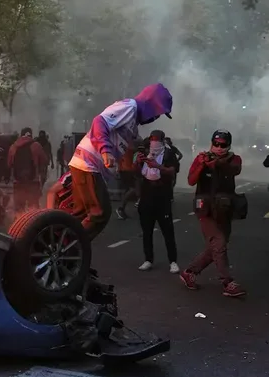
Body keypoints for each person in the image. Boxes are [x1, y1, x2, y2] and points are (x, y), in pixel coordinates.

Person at [64, 83, 173, 239]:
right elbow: (99, 122)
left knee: (81, 213)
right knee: (99, 213)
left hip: (89, 166)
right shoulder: (129, 107)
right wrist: (105, 151)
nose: (155, 118)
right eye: (157, 113)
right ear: (150, 104)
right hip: (89, 164)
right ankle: (72, 245)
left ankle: (65, 245)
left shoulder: (133, 125)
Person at [180, 130, 246, 297]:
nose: (219, 147)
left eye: (223, 145)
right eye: (216, 144)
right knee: (219, 243)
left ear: (228, 145)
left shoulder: (234, 159)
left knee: (216, 247)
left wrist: (216, 164)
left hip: (224, 209)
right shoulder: (202, 158)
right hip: (205, 208)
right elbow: (191, 180)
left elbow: (235, 170)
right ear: (211, 143)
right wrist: (202, 165)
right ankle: (227, 282)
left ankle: (190, 272)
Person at [137, 130, 180, 272]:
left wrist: (157, 166)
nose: (154, 142)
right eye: (152, 139)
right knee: (147, 231)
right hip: (146, 196)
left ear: (162, 140)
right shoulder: (145, 152)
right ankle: (148, 259)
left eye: (156, 139)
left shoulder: (168, 153)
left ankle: (173, 261)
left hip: (162, 196)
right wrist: (138, 162)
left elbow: (172, 171)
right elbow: (136, 171)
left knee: (168, 231)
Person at [8, 128, 48, 212]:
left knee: (19, 206)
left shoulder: (13, 146)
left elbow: (9, 163)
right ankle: (33, 219)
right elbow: (44, 160)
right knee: (33, 206)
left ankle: (20, 219)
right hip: (33, 181)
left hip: (17, 181)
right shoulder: (36, 145)